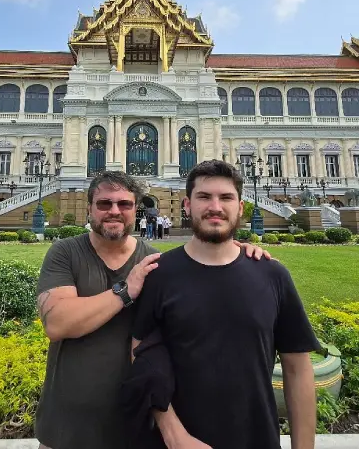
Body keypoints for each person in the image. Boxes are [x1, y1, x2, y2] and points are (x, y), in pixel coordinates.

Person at [34, 171, 273, 449]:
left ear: (136, 209)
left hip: (138, 429)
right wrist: (125, 291)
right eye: (104, 204)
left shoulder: (155, 264)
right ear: (89, 209)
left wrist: (236, 252)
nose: (114, 211)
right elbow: (57, 323)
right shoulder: (65, 253)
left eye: (124, 204)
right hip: (66, 431)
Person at [132, 160, 319, 449]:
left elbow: (297, 370)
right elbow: (140, 356)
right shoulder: (159, 275)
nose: (215, 207)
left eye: (226, 197)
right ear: (187, 205)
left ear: (240, 207)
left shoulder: (272, 275)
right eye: (204, 197)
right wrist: (174, 434)